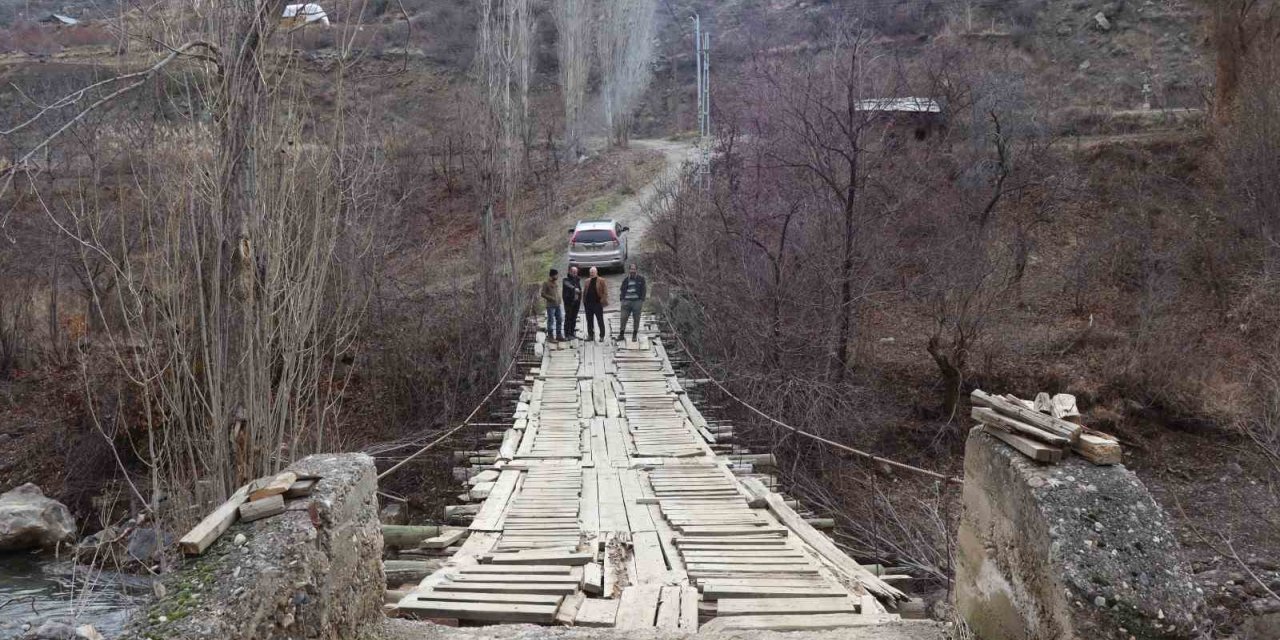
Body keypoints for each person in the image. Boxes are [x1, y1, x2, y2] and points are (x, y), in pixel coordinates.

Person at [617, 263, 647, 341]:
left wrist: (641, 300)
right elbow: (622, 290)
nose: (632, 271)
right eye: (631, 269)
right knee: (623, 318)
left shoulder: (641, 279)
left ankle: (634, 335)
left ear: (636, 270)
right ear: (629, 270)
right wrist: (622, 299)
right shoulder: (626, 280)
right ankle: (621, 334)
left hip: (637, 302)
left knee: (636, 319)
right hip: (626, 302)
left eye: (634, 269)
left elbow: (644, 290)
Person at [581, 266, 608, 341]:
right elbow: (585, 291)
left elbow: (605, 292)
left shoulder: (601, 280)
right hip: (588, 304)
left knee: (600, 320)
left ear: (596, 272)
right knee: (589, 321)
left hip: (597, 303)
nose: (592, 273)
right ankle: (590, 335)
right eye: (590, 272)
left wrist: (602, 300)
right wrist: (584, 301)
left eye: (593, 272)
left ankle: (602, 336)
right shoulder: (587, 281)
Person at [540, 268, 564, 341]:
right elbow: (542, 294)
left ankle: (559, 335)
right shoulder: (546, 283)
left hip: (558, 305)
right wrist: (551, 298)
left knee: (559, 319)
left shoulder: (556, 282)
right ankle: (550, 336)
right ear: (552, 275)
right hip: (550, 306)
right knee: (551, 321)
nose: (557, 276)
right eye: (556, 275)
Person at [562, 265, 582, 340]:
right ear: (569, 272)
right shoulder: (565, 280)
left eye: (576, 272)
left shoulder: (577, 280)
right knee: (568, 318)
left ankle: (572, 333)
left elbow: (580, 290)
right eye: (573, 272)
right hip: (569, 303)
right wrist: (574, 289)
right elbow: (568, 285)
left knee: (574, 318)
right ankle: (567, 334)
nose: (574, 273)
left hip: (576, 302)